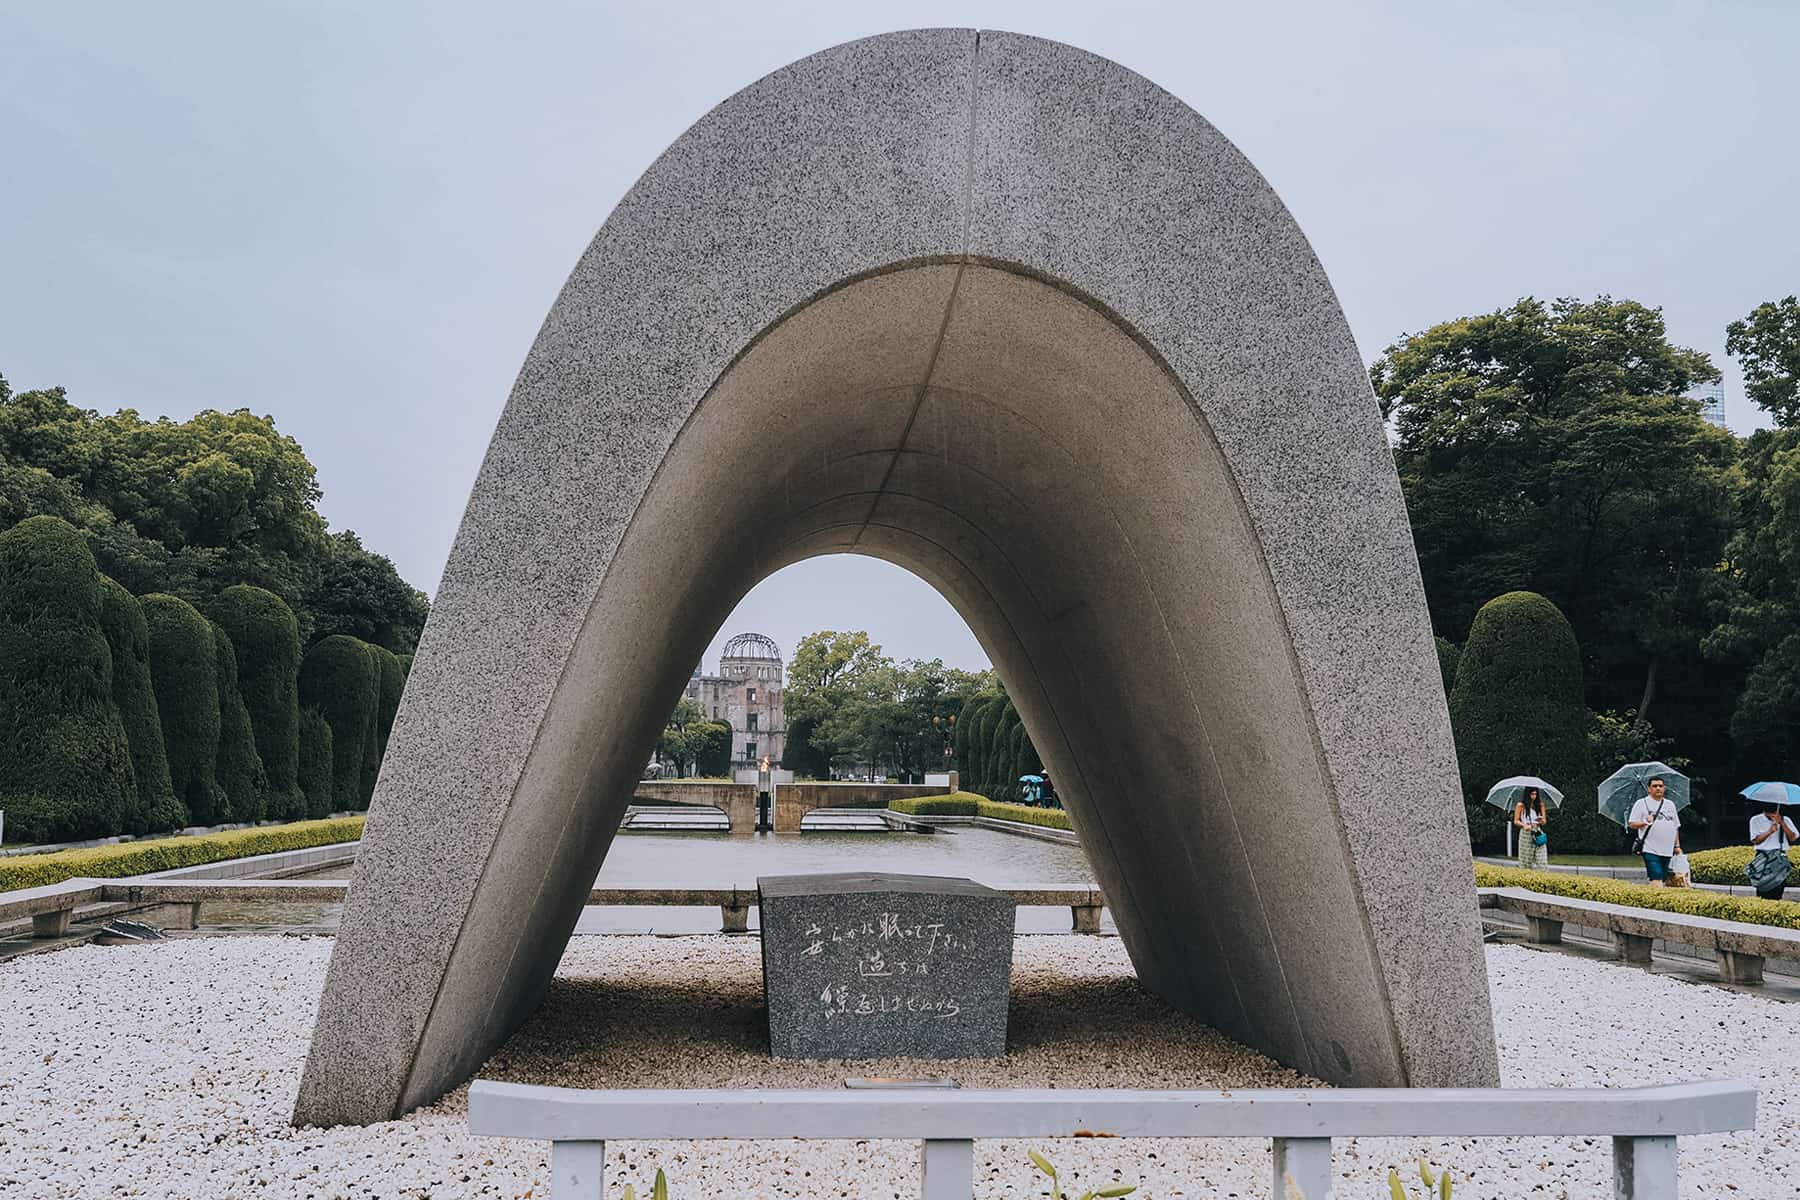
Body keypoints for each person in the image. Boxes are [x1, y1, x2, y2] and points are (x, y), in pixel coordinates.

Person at [1627, 777, 1682, 885]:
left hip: (1667, 849)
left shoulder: (1670, 804)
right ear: (1649, 789)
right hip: (1650, 848)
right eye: (1655, 786)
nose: (1658, 788)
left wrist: (1677, 846)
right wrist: (1644, 822)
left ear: (1664, 788)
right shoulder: (1641, 803)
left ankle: (1653, 897)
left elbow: (1675, 826)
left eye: (1660, 786)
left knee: (1663, 879)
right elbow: (1632, 824)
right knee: (1656, 877)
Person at [1747, 804, 1799, 900]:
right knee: (1762, 884)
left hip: (1779, 856)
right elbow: (1755, 840)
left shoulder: (1785, 819)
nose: (1772, 815)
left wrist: (1782, 823)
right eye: (1769, 814)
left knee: (1779, 885)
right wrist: (1769, 832)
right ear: (1764, 812)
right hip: (1763, 857)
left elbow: (1793, 837)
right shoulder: (1755, 820)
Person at [1513, 786, 1549, 869]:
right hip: (1526, 833)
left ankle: (1542, 879)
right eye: (1532, 794)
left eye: (1536, 794)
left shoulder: (1540, 805)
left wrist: (1540, 820)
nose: (1534, 796)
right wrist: (1524, 825)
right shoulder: (1520, 805)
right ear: (1527, 794)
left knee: (1542, 860)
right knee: (1525, 861)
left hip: (1537, 832)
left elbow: (1544, 821)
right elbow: (1516, 821)